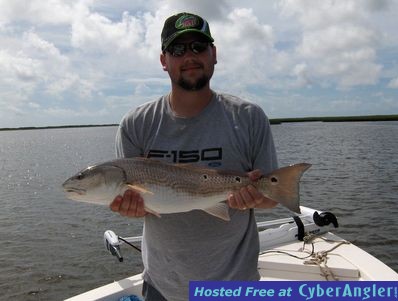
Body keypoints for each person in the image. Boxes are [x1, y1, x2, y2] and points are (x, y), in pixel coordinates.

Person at [110, 12, 278, 301]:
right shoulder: (135, 125)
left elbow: (272, 196)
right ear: (164, 60)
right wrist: (131, 207)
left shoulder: (249, 118)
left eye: (198, 47)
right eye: (177, 49)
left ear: (214, 54)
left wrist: (255, 197)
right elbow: (143, 203)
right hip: (162, 286)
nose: (189, 56)